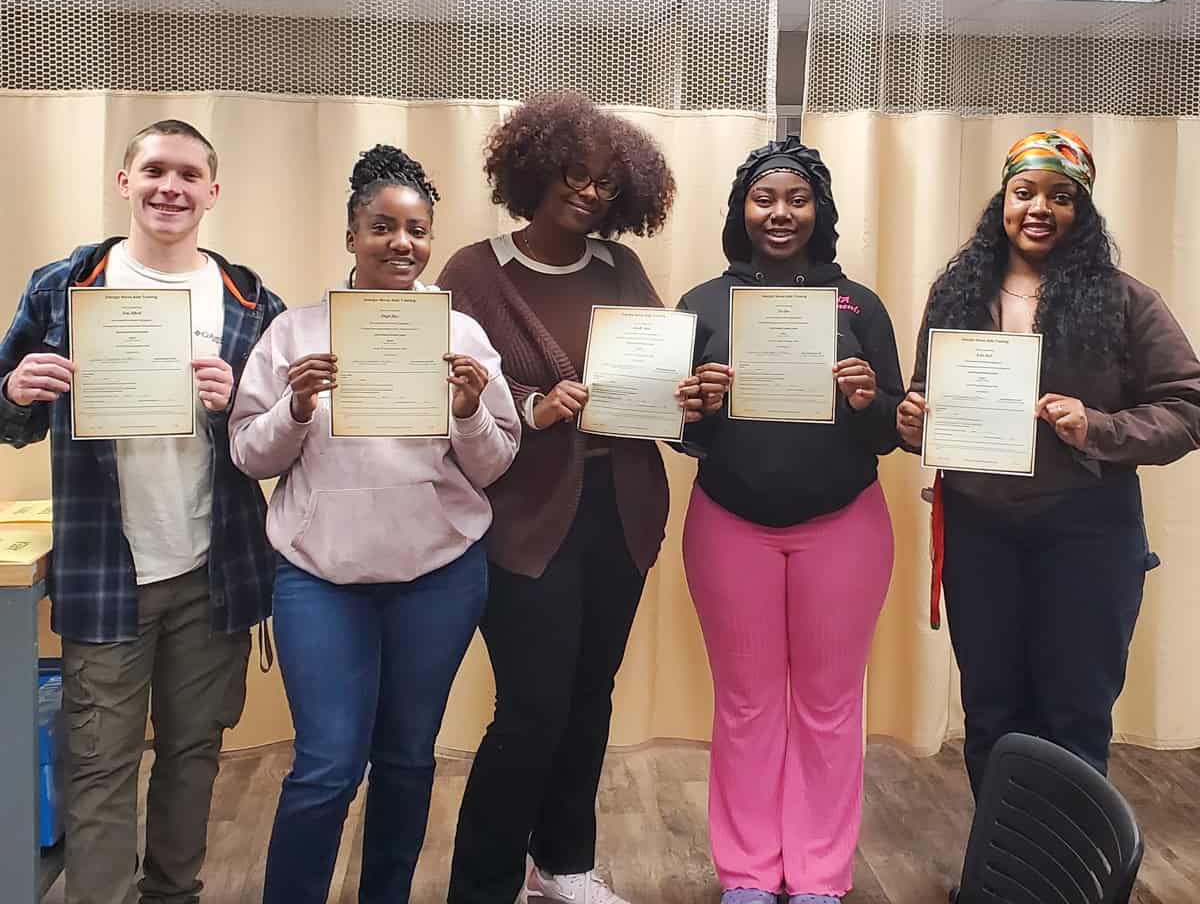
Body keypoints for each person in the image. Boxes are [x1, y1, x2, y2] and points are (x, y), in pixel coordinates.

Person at [0, 119, 285, 904]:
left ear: (213, 193)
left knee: (193, 753)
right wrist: (14, 391)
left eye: (190, 175)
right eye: (155, 170)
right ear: (125, 181)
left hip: (214, 571)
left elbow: (287, 439)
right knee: (100, 761)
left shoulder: (252, 300)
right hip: (103, 571)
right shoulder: (61, 285)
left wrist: (238, 408)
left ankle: (172, 894)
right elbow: (8, 413)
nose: (172, 187)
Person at [438, 91, 712, 904]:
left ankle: (563, 865)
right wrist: (531, 404)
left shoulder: (621, 268)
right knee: (530, 707)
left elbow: (659, 374)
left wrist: (686, 393)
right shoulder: (473, 270)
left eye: (604, 183)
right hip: (524, 518)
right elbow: (449, 386)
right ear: (532, 169)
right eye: (573, 174)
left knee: (591, 695)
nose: (589, 193)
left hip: (620, 512)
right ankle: (484, 883)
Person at [228, 145, 520, 904]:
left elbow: (493, 466)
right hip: (320, 579)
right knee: (326, 765)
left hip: (439, 579)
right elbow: (249, 454)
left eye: (416, 230)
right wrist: (294, 407)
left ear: (429, 239)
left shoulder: (460, 337)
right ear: (351, 234)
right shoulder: (295, 334)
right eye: (381, 227)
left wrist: (465, 413)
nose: (401, 243)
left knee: (407, 759)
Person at [896, 130, 1200, 800]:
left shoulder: (1125, 299)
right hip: (980, 533)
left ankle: (1068, 883)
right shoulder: (957, 294)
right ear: (1002, 200)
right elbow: (925, 395)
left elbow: (1186, 408)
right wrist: (913, 422)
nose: (1040, 208)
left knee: (1074, 718)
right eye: (1025, 191)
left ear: (1082, 211)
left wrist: (1098, 426)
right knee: (993, 714)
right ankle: (1006, 877)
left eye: (1062, 197)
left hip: (1088, 534)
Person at [674, 137, 902, 904]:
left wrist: (872, 400)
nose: (781, 213)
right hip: (729, 524)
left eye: (797, 199)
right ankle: (745, 874)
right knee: (744, 704)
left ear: (819, 210)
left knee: (831, 706)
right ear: (742, 209)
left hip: (844, 525)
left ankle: (817, 878)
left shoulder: (860, 305)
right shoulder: (702, 304)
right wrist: (695, 407)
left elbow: (892, 433)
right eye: (765, 199)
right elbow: (683, 437)